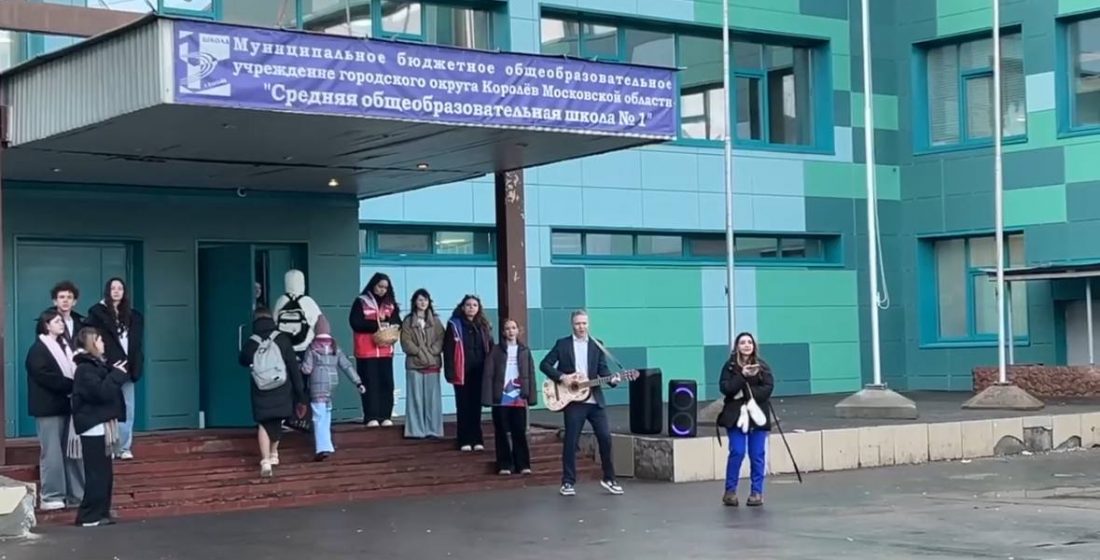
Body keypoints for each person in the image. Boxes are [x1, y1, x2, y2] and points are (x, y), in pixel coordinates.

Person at [540, 310, 623, 497]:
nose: (581, 327)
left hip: (595, 401)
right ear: (572, 324)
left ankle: (609, 478)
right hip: (574, 401)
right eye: (578, 323)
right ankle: (568, 482)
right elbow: (544, 365)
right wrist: (562, 377)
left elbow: (603, 370)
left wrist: (613, 380)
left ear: (588, 324)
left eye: (584, 323)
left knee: (605, 437)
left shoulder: (597, 345)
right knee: (571, 441)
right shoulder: (562, 344)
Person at [26, 309, 84, 511]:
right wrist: (72, 385)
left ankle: (77, 495)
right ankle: (51, 495)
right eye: (57, 321)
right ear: (46, 325)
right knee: (52, 453)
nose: (61, 324)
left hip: (68, 406)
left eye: (62, 321)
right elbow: (45, 376)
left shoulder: (66, 346)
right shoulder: (38, 349)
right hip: (48, 409)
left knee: (72, 451)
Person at [239, 307, 307, 478]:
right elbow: (293, 367)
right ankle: (273, 452)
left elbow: (243, 360)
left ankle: (265, 460)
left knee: (264, 422)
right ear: (272, 319)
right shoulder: (282, 339)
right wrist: (300, 393)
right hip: (281, 386)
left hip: (260, 387)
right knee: (277, 420)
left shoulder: (252, 341)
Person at [70, 327, 128, 527]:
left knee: (105, 473)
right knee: (96, 473)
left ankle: (101, 511)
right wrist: (116, 375)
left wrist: (115, 372)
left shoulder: (97, 365)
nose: (103, 343)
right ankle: (89, 515)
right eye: (99, 340)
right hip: (92, 425)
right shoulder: (84, 369)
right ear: (91, 343)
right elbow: (101, 392)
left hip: (102, 425)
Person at [85, 278, 143, 460]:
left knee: (128, 409)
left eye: (120, 288)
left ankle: (124, 447)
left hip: (128, 369)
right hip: (108, 368)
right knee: (108, 408)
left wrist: (135, 365)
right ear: (107, 291)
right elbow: (92, 339)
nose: (116, 291)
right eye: (113, 288)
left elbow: (137, 344)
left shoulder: (134, 316)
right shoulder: (97, 313)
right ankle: (109, 447)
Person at [717, 332, 774, 507]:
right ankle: (730, 491)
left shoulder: (762, 366)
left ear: (754, 346)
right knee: (737, 451)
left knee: (757, 454)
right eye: (743, 342)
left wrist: (747, 394)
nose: (747, 345)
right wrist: (742, 375)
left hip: (757, 416)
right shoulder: (730, 367)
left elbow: (767, 388)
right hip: (736, 416)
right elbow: (726, 388)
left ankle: (757, 492)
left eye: (750, 342)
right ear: (737, 346)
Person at [301, 314, 365, 461]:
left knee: (318, 415)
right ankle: (328, 445)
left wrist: (298, 365)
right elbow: (346, 366)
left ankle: (322, 447)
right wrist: (358, 382)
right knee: (327, 414)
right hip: (332, 382)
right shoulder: (335, 346)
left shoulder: (312, 347)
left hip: (317, 383)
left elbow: (307, 369)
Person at [482, 318, 535, 475]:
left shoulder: (524, 351)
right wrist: (487, 398)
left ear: (518, 331)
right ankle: (504, 464)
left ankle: (523, 464)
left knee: (519, 431)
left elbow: (530, 374)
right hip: (501, 397)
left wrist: (531, 397)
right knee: (501, 432)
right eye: (507, 328)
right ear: (503, 332)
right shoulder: (496, 351)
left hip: (518, 397)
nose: (511, 331)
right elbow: (488, 374)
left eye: (513, 328)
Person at [349, 272, 400, 427]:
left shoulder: (390, 304)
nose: (382, 290)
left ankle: (385, 415)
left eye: (385, 287)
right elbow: (356, 322)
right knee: (369, 383)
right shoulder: (361, 301)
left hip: (385, 351)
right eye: (380, 286)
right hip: (366, 351)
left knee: (386, 383)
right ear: (373, 285)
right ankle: (371, 416)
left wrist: (389, 325)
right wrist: (377, 325)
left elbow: (397, 321)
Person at [443, 295, 493, 452]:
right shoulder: (454, 325)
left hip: (480, 372)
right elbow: (448, 350)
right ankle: (464, 440)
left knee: (476, 407)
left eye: (474, 305)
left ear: (479, 308)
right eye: (468, 305)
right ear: (462, 307)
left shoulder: (484, 326)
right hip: (461, 371)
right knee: (463, 406)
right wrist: (450, 372)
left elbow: (491, 348)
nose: (471, 307)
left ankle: (477, 439)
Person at [399, 289, 445, 439]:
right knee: (415, 399)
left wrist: (432, 351)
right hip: (414, 365)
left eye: (425, 300)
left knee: (433, 400)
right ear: (414, 302)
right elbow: (406, 342)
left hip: (433, 364)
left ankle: (433, 430)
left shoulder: (436, 321)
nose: (423, 303)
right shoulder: (407, 321)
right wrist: (420, 352)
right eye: (420, 300)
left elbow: (441, 339)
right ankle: (416, 431)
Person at [272, 269, 323, 358]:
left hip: (285, 349)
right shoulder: (308, 301)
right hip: (305, 348)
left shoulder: (280, 301)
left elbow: (274, 322)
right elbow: (320, 322)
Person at [46, 281, 85, 348]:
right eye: (62, 297)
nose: (65, 300)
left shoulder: (79, 323)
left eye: (69, 297)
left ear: (74, 302)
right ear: (55, 301)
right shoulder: (47, 322)